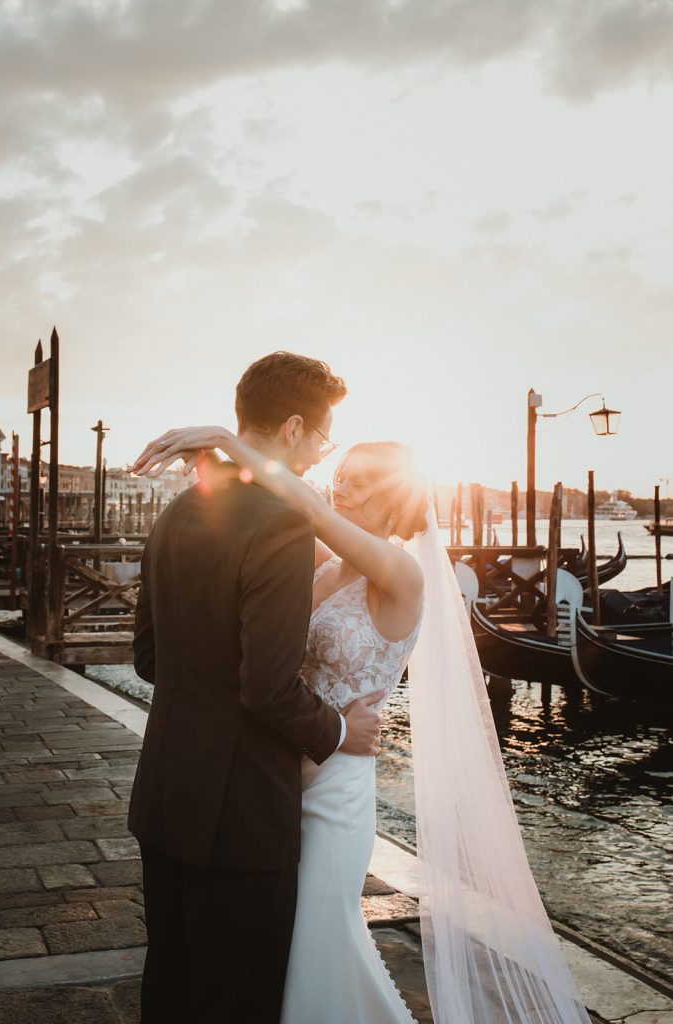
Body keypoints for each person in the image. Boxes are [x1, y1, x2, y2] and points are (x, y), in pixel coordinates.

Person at [134, 417, 595, 1024]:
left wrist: (226, 437)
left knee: (317, 944)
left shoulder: (403, 572)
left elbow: (306, 508)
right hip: (276, 772)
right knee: (268, 946)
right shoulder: (327, 566)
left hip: (336, 783)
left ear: (392, 493)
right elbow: (262, 553)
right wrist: (213, 470)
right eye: (337, 478)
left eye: (355, 483)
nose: (337, 491)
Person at [127, 352, 385, 1024]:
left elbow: (148, 660)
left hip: (164, 796)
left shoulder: (180, 510)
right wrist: (337, 730)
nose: (317, 460)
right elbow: (267, 690)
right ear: (296, 427)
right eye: (320, 441)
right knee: (240, 998)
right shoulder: (279, 523)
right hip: (239, 818)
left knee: (173, 985)